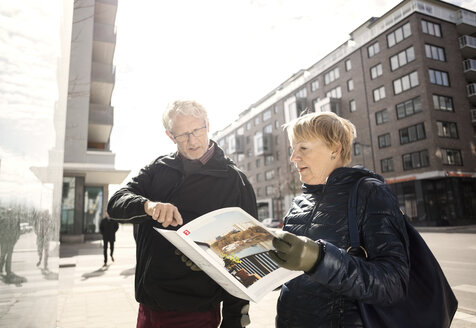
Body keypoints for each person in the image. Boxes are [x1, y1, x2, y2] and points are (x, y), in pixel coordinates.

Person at [107, 100, 257, 328]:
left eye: (197, 130)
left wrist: (235, 320)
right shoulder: (158, 168)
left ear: (207, 125)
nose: (192, 140)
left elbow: (245, 257)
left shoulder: (235, 181)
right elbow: (115, 203)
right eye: (183, 135)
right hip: (148, 303)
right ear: (170, 136)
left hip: (194, 309)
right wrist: (148, 206)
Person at [269, 112, 410, 327]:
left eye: (303, 148)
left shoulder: (370, 193)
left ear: (335, 149)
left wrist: (319, 259)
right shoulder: (300, 202)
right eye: (292, 149)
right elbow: (292, 279)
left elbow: (393, 283)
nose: (293, 158)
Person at [0, 208, 20, 277]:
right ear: (7, 214)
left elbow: (18, 231)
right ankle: (0, 269)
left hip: (11, 241)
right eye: (9, 213)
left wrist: (16, 239)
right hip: (3, 241)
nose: (10, 215)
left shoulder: (15, 221)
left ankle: (8, 270)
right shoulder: (3, 220)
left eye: (11, 213)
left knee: (9, 256)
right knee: (2, 255)